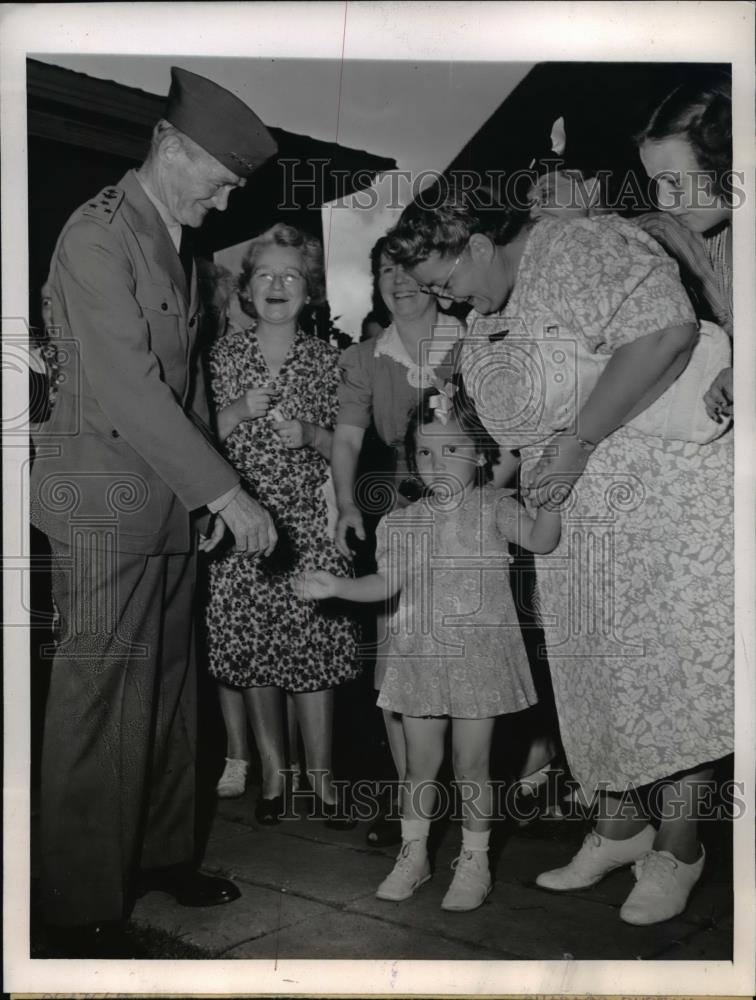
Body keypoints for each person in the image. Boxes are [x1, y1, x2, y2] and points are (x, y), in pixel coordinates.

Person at [384, 182, 733, 926]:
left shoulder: (576, 244)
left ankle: (680, 846)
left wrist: (575, 445)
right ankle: (619, 827)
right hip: (578, 509)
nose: (451, 302)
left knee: (672, 674)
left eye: (446, 283)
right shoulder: (491, 313)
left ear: (479, 244)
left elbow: (665, 333)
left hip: (657, 495)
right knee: (600, 673)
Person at [30, 67, 279, 956]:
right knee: (101, 696)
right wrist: (226, 490)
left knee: (172, 689)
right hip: (101, 497)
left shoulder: (179, 243)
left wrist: (200, 489)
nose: (226, 197)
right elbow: (131, 389)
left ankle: (166, 854)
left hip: (164, 501)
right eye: (219, 178)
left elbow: (191, 380)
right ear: (170, 148)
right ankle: (77, 901)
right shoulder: (96, 238)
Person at [296, 387, 561, 910]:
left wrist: (551, 496)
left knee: (472, 764)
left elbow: (543, 541)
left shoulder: (497, 507)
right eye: (423, 452)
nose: (436, 463)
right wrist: (340, 586)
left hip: (479, 658)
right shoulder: (400, 521)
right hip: (418, 657)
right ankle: (414, 854)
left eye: (452, 450)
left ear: (482, 454)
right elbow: (384, 584)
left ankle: (475, 859)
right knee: (419, 765)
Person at [205, 223, 359, 827]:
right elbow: (193, 441)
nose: (277, 284)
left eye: (290, 275)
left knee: (313, 652)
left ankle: (320, 782)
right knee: (255, 656)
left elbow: (348, 446)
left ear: (309, 290)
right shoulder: (221, 357)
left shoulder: (329, 360)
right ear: (245, 289)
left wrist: (312, 435)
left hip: (308, 526)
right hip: (241, 526)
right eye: (264, 274)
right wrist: (238, 409)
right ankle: (274, 777)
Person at [331, 236, 466, 844]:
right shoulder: (363, 358)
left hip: (469, 520)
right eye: (386, 270)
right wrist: (345, 505)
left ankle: (473, 800)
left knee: (468, 659)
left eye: (409, 268)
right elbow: (347, 441)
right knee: (396, 668)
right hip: (402, 516)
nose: (399, 281)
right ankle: (413, 805)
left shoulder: (474, 340)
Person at [635, 71, 733, 421]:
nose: (664, 201)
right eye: (657, 185)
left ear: (725, 158)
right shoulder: (720, 239)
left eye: (674, 182)